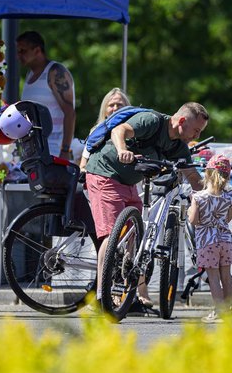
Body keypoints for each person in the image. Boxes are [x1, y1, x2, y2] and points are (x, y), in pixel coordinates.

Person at [85, 102, 209, 306]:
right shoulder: (152, 121)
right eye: (196, 131)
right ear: (182, 121)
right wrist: (122, 149)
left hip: (128, 181)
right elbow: (120, 130)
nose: (196, 137)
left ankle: (123, 293)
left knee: (133, 236)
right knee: (111, 234)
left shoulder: (178, 146)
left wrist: (214, 192)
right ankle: (101, 295)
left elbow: (194, 179)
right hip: (104, 172)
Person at [188, 155, 232, 323]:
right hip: (225, 240)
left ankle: (218, 312)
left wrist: (193, 215)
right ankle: (228, 311)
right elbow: (228, 218)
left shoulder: (198, 197)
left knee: (213, 278)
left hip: (207, 242)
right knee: (226, 276)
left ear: (207, 174)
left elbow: (193, 220)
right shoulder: (229, 196)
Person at [17, 30, 76, 158]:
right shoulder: (30, 74)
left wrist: (65, 150)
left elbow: (70, 112)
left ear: (37, 50)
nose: (19, 55)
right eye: (18, 51)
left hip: (54, 152)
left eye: (23, 51)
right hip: (34, 152)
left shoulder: (55, 72)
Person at [79, 87, 131, 170]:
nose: (115, 108)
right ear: (105, 110)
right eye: (111, 105)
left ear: (127, 108)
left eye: (119, 104)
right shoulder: (96, 132)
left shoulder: (135, 130)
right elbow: (83, 165)